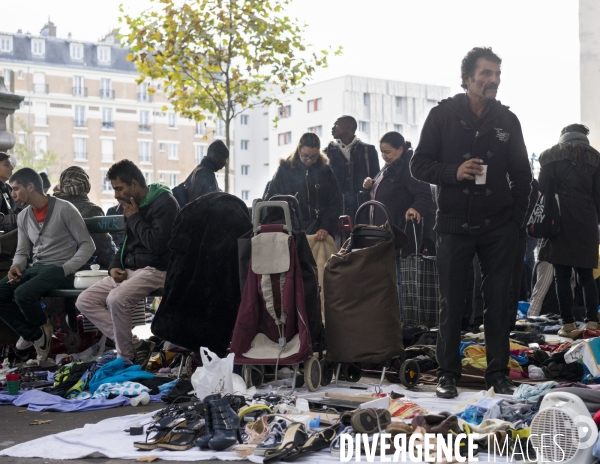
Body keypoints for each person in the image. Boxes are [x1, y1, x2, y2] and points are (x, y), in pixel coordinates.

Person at [410, 47, 532, 397]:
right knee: (452, 303)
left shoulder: (508, 121)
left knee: (499, 304)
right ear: (466, 78)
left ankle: (498, 374)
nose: (492, 80)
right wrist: (453, 172)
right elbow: (418, 165)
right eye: (486, 73)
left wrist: (516, 223)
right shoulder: (442, 116)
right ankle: (448, 373)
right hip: (452, 225)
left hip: (499, 228)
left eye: (496, 74)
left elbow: (523, 176)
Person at [76, 160, 180, 367]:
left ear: (134, 183)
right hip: (132, 270)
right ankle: (136, 345)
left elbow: (158, 245)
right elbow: (124, 244)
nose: (116, 195)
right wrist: (115, 266)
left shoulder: (165, 203)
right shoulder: (132, 207)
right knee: (84, 301)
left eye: (119, 188)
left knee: (116, 299)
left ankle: (125, 358)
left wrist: (134, 218)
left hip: (157, 269)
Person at [0, 168, 94, 361]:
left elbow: (88, 245)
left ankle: (39, 331)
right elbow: (22, 251)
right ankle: (34, 333)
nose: (13, 195)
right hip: (36, 270)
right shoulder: (23, 216)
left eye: (16, 189)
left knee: (22, 293)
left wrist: (66, 268)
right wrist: (15, 266)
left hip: (61, 271)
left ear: (31, 186)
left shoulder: (65, 209)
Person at [537, 124, 600, 337]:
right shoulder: (596, 158)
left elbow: (542, 187)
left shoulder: (549, 156)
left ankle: (568, 325)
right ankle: (592, 321)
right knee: (586, 275)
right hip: (586, 221)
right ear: (584, 137)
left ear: (563, 136)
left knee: (561, 276)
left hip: (559, 220)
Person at [362, 131, 433, 317]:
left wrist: (415, 208)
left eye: (388, 152)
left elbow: (424, 195)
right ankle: (389, 320)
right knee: (387, 281)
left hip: (400, 233)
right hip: (383, 234)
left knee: (401, 280)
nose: (384, 156)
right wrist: (371, 183)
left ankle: (402, 322)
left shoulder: (410, 168)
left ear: (400, 149)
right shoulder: (388, 168)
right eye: (382, 152)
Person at [266, 132, 342, 240]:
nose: (309, 160)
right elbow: (271, 201)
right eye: (305, 156)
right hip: (289, 231)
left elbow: (336, 201)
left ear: (319, 152)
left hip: (319, 230)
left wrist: (326, 226)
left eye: (314, 157)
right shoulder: (285, 169)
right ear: (299, 150)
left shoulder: (325, 171)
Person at [54, 166, 117, 269]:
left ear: (62, 186)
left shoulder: (51, 207)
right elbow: (105, 251)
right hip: (79, 271)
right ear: (88, 187)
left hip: (49, 268)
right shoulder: (92, 210)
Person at [324, 116, 380, 221]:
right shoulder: (326, 153)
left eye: (336, 124)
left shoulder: (369, 151)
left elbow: (376, 181)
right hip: (335, 215)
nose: (332, 128)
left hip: (363, 214)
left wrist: (370, 182)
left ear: (349, 126)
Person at [174, 140, 229, 207]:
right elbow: (204, 204)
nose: (225, 162)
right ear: (215, 157)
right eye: (224, 158)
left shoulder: (200, 169)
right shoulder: (205, 174)